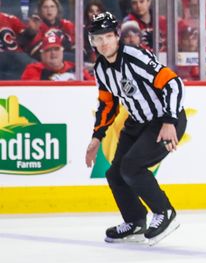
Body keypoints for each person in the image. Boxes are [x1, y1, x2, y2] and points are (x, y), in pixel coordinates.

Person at [85, 12, 187, 246]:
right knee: (115, 173)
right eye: (97, 38)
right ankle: (135, 221)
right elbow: (108, 104)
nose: (103, 43)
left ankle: (165, 212)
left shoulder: (134, 57)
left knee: (132, 167)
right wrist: (97, 137)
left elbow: (173, 82)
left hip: (163, 120)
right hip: (137, 123)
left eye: (107, 37)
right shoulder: (100, 68)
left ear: (116, 36)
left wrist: (170, 121)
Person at [20, 30, 90, 81]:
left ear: (62, 51)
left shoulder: (76, 69)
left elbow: (93, 88)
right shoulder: (34, 70)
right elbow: (29, 93)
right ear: (42, 54)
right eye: (48, 50)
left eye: (56, 49)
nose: (53, 53)